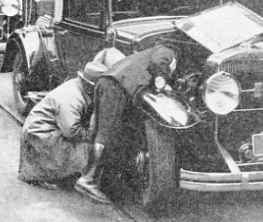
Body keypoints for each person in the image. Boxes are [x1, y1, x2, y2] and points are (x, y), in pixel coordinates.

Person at [74, 43, 179, 203]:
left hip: (110, 82)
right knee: (106, 134)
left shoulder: (148, 50)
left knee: (103, 132)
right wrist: (163, 84)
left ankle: (91, 176)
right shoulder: (167, 51)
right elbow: (158, 64)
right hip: (117, 86)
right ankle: (88, 180)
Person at [18, 61, 108, 191]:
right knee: (86, 151)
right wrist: (92, 136)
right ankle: (48, 176)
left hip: (45, 130)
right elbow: (71, 131)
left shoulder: (79, 87)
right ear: (90, 86)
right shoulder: (71, 98)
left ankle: (58, 174)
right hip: (40, 134)